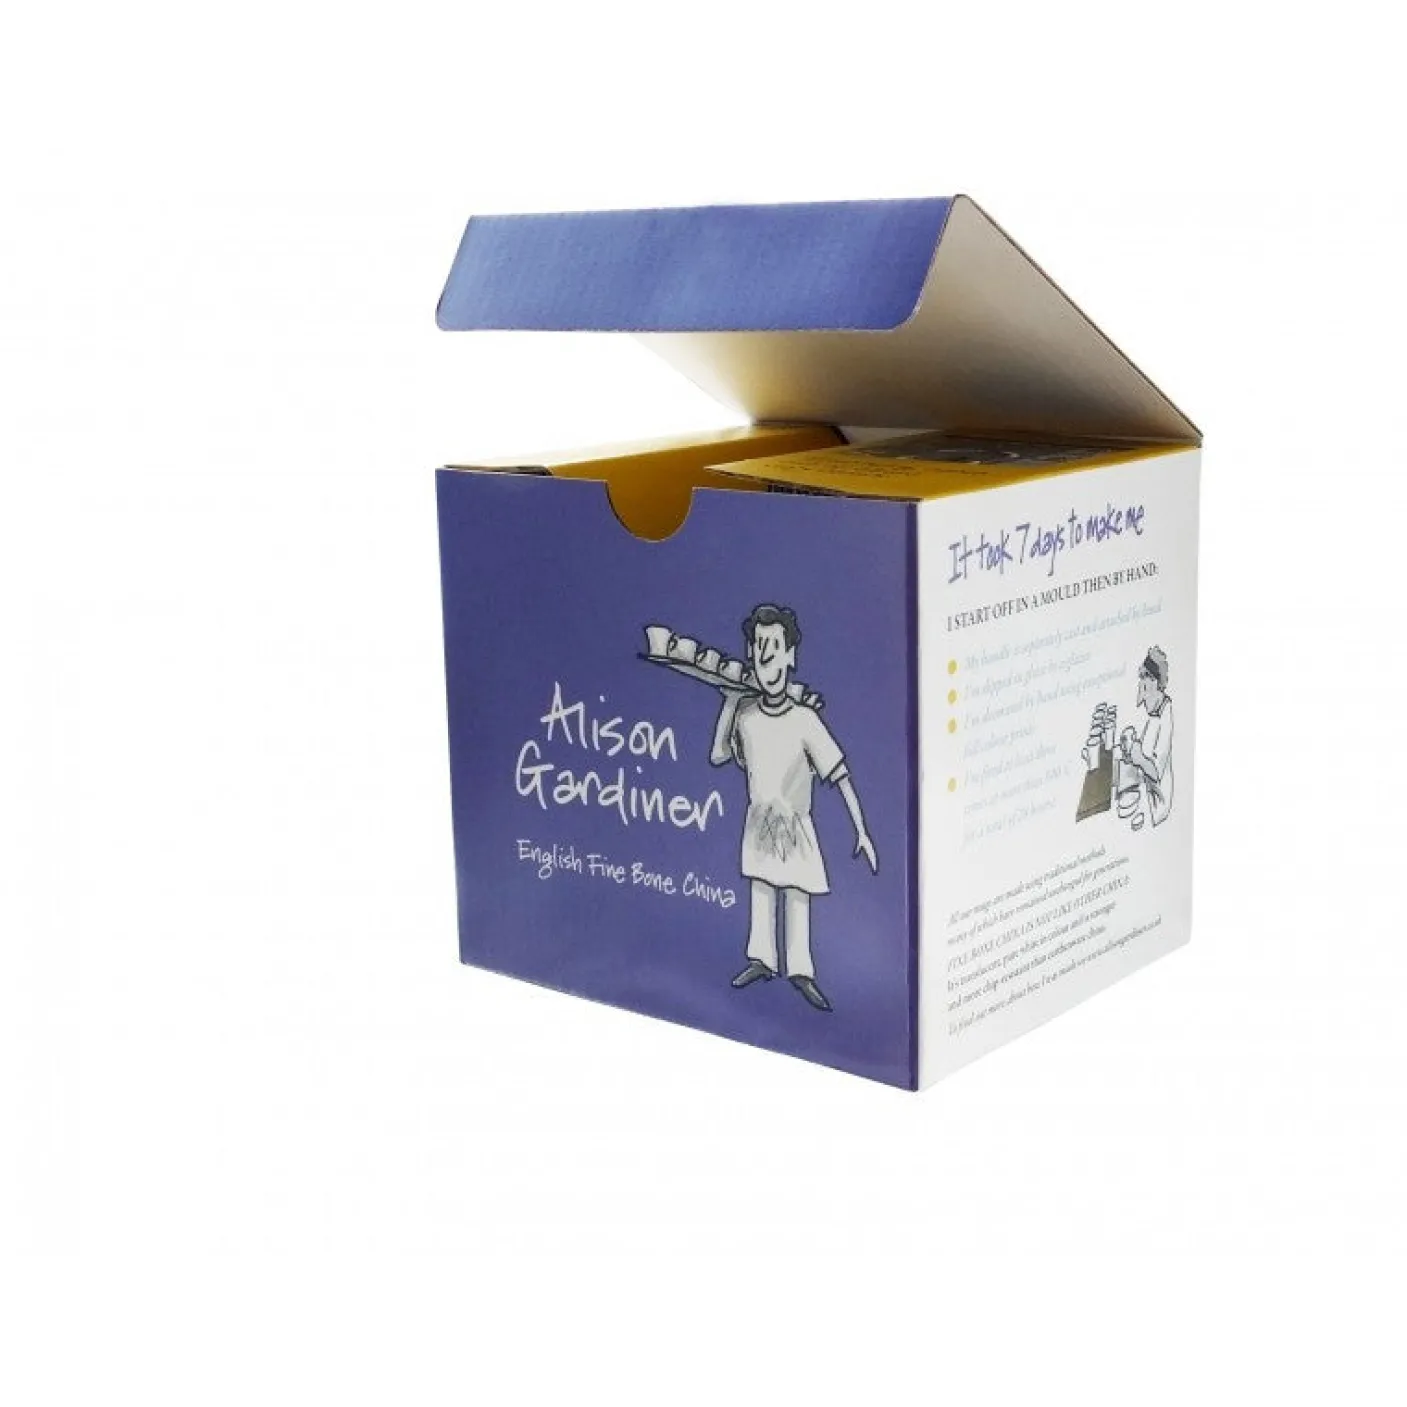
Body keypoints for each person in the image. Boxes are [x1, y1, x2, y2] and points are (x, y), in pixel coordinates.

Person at [709, 604, 877, 1012]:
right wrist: (729, 702)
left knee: (798, 894)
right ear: (751, 654)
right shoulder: (747, 717)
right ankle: (762, 959)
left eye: (774, 645)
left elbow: (839, 774)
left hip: (796, 825)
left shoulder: (805, 720)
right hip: (759, 822)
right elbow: (718, 755)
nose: (766, 655)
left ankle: (801, 971)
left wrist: (862, 831)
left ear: (790, 655)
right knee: (762, 888)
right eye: (759, 646)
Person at [1125, 645, 1174, 827]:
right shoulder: (1153, 714)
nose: (1144, 701)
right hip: (1145, 791)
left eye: (1145, 679)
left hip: (1157, 805)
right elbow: (1144, 751)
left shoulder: (1166, 716)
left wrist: (1138, 757)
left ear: (1155, 682)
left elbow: (1155, 771)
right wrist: (1132, 745)